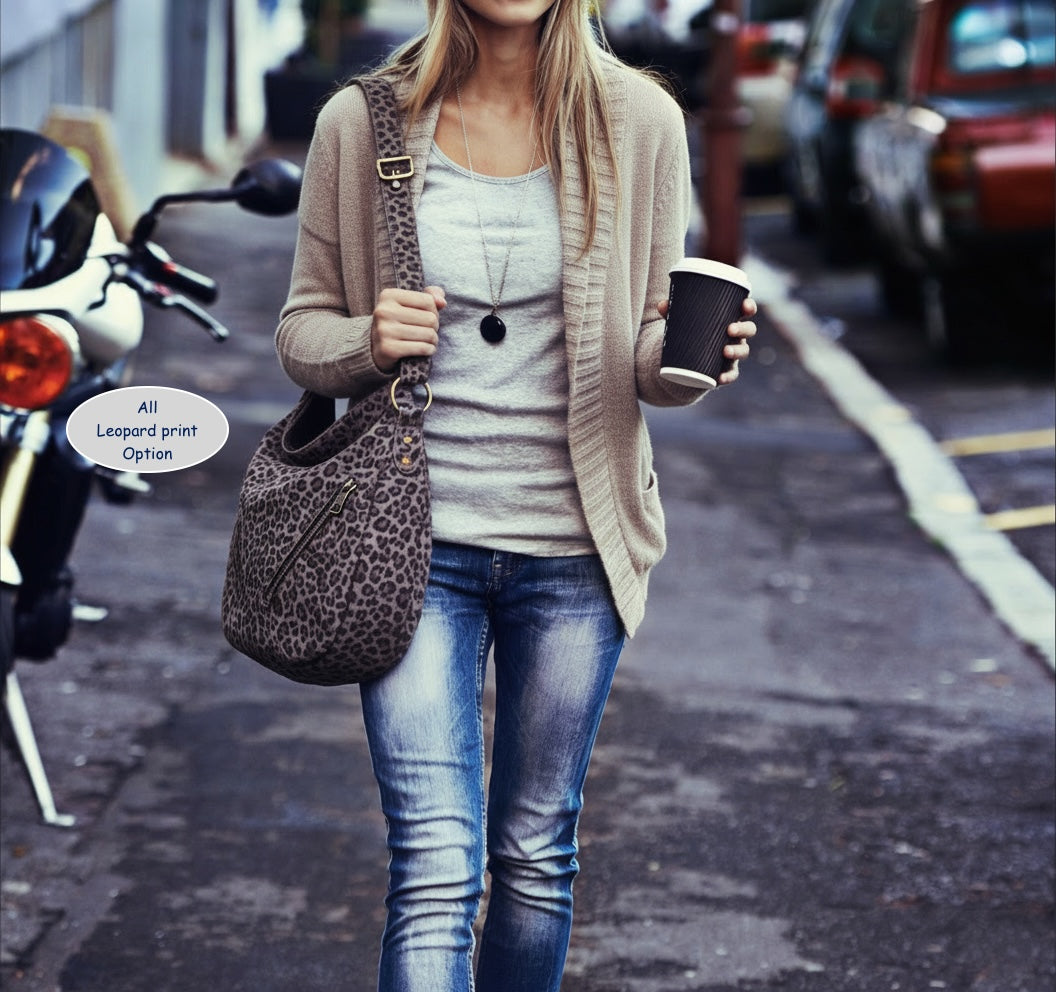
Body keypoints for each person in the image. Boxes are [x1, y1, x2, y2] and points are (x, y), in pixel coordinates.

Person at [275, 1, 757, 988]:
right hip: (408, 543)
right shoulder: (361, 124)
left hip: (577, 546)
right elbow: (300, 333)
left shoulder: (642, 123)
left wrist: (696, 359)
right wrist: (372, 338)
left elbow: (646, 359)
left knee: (535, 853)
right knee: (436, 863)